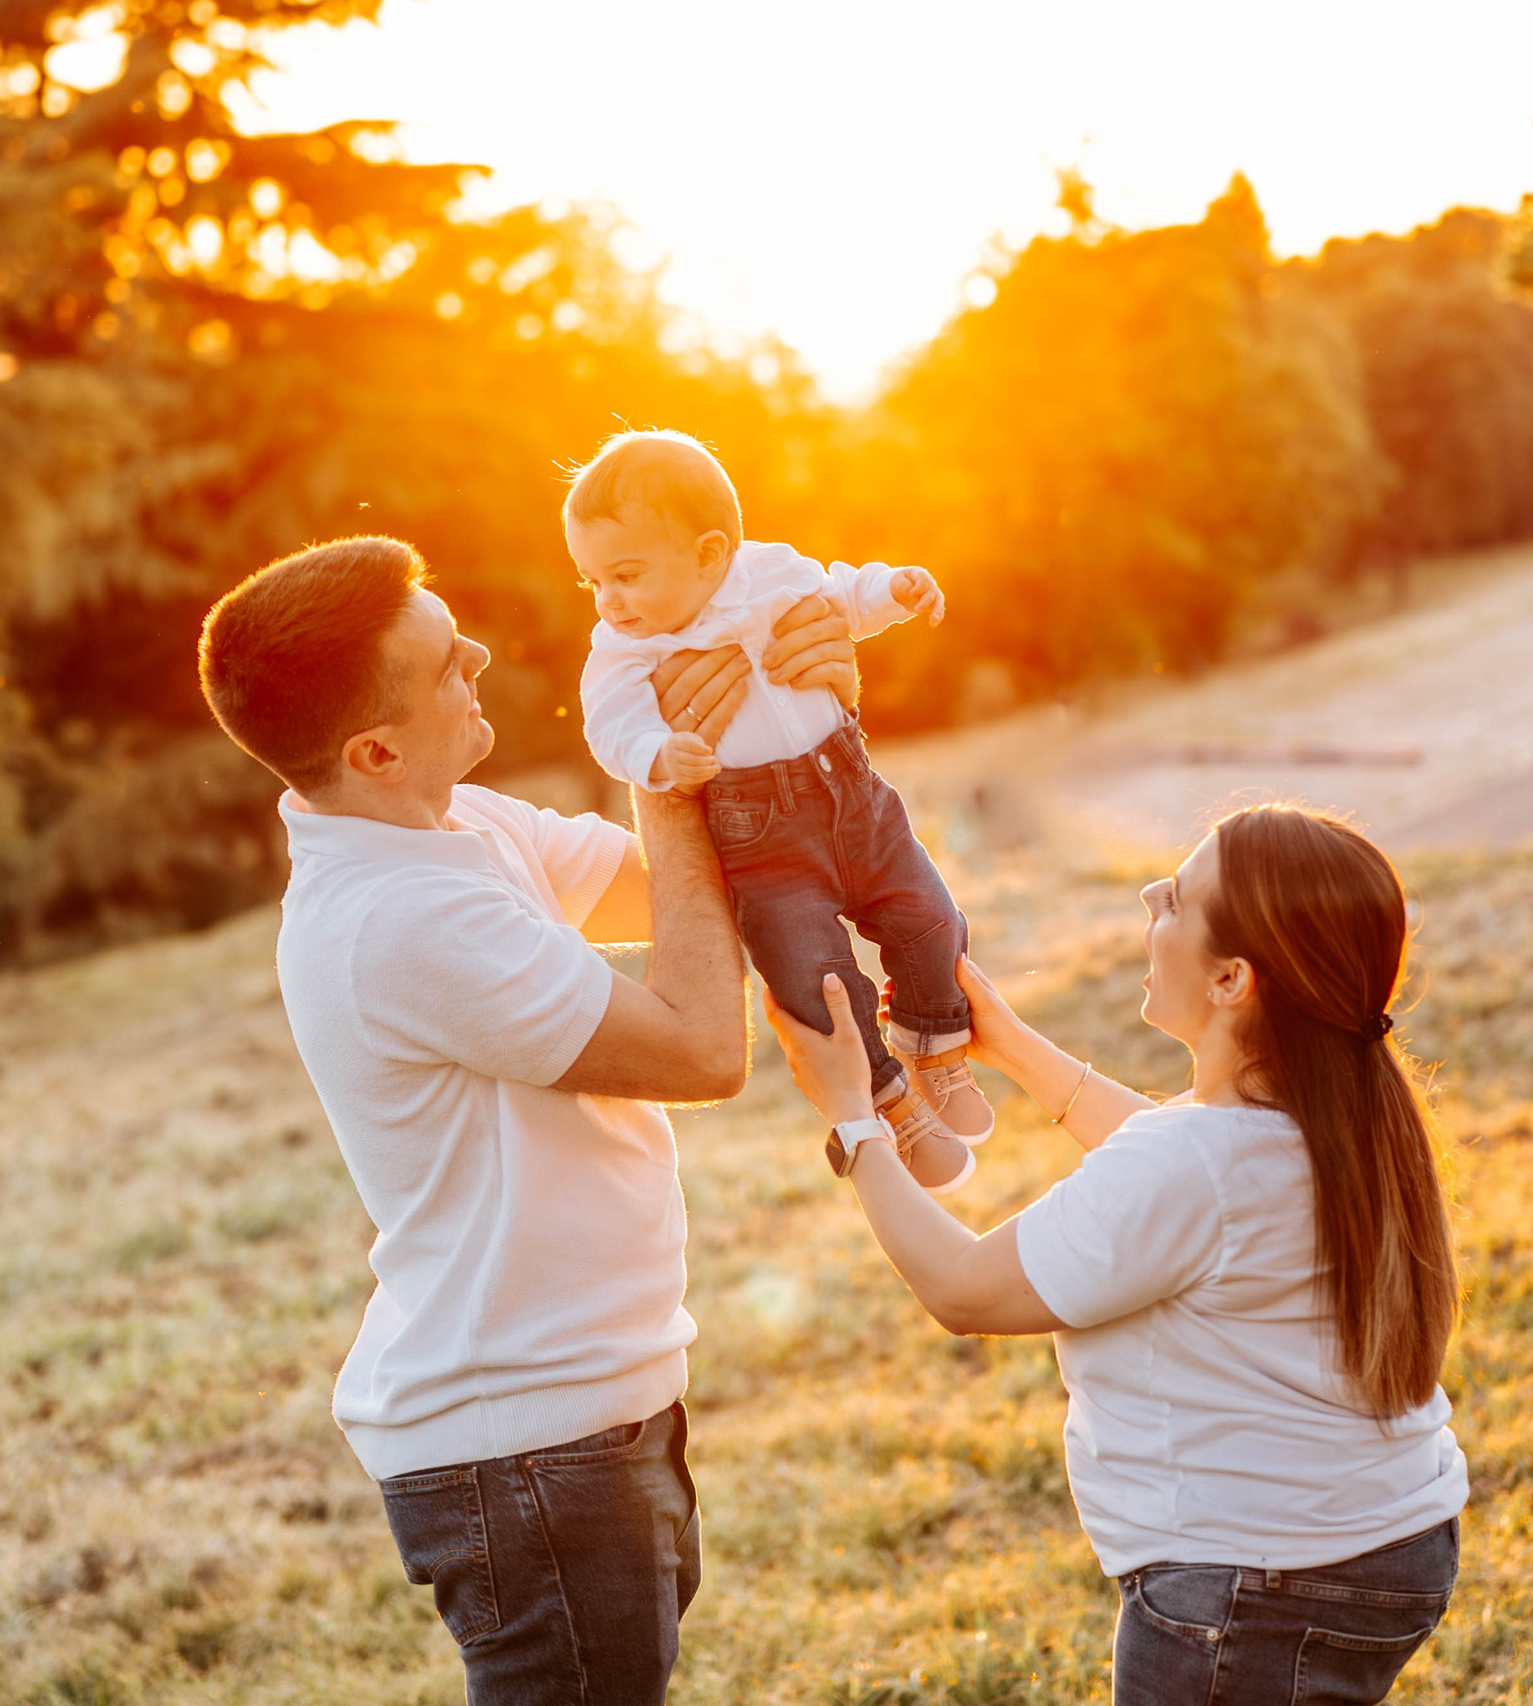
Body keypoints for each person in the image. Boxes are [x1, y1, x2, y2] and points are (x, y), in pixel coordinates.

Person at [196, 534, 858, 1705]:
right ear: (375, 747)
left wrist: (765, 699)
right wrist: (661, 770)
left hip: (586, 1408)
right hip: (526, 1444)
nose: (485, 658)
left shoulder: (458, 830)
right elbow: (704, 1044)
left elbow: (698, 880)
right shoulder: (397, 916)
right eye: (451, 661)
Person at [766, 803, 1468, 1706]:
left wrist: (853, 1118)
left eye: (1174, 898)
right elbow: (1184, 1176)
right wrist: (1012, 1046)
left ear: (1231, 981)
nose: (1148, 894)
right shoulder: (1330, 1115)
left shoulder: (1197, 1162)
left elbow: (967, 1291)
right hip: (1389, 1541)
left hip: (1256, 1583)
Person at [568, 428, 993, 1195]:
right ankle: (891, 1101)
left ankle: (934, 1039)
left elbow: (838, 597)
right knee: (812, 975)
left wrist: (891, 592)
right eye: (592, 582)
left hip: (855, 796)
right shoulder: (625, 649)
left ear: (708, 553)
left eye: (626, 575)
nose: (609, 602)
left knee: (930, 918)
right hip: (758, 835)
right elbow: (611, 721)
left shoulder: (772, 573)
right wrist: (658, 755)